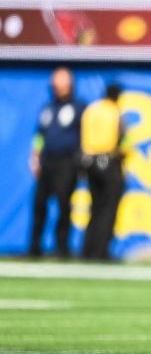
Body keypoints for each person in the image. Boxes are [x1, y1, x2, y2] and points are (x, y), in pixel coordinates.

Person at [29, 67, 85, 259]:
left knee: (63, 205)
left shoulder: (78, 108)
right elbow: (39, 135)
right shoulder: (48, 108)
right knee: (39, 206)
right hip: (47, 161)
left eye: (63, 83)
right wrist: (35, 157)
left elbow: (84, 135)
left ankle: (62, 248)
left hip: (67, 162)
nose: (59, 87)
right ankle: (34, 248)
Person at [80, 83, 125, 260]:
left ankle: (87, 249)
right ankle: (101, 250)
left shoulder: (91, 110)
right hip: (109, 161)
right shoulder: (115, 112)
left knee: (95, 206)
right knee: (108, 208)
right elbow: (122, 138)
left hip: (89, 162)